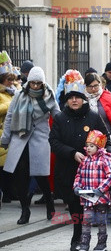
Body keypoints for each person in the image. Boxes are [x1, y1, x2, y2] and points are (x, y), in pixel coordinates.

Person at [49, 71, 111, 251]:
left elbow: (104, 137)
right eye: (71, 98)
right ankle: (77, 236)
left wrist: (100, 154)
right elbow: (53, 141)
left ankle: (96, 239)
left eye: (77, 97)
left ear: (83, 98)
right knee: (74, 203)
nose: (74, 101)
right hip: (68, 168)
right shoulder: (60, 118)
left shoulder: (92, 116)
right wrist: (72, 153)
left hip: (91, 172)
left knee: (91, 206)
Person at [1, 67, 60, 224]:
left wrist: (60, 135)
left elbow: (57, 116)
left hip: (40, 139)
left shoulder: (49, 95)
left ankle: (49, 202)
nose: (35, 86)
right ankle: (24, 210)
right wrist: (5, 138)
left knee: (41, 176)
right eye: (33, 83)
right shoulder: (20, 95)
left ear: (43, 82)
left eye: (38, 83)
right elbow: (10, 117)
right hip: (20, 139)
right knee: (20, 177)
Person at [73, 130, 111, 251]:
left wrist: (101, 189)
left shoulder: (104, 160)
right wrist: (76, 186)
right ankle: (84, 244)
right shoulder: (84, 161)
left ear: (99, 146)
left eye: (92, 146)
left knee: (101, 221)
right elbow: (78, 175)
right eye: (87, 145)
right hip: (87, 197)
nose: (88, 148)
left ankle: (101, 243)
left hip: (100, 197)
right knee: (86, 220)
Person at [84, 73, 111, 149]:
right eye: (90, 86)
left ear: (100, 85)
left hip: (107, 142)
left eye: (95, 86)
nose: (93, 89)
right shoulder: (82, 99)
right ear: (85, 86)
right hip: (87, 143)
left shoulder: (109, 98)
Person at [0, 58, 19, 207]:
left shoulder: (14, 92)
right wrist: (10, 104)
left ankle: (11, 192)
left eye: (12, 80)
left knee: (12, 165)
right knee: (3, 167)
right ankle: (6, 193)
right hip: (2, 132)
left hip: (14, 132)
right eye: (8, 80)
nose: (11, 83)